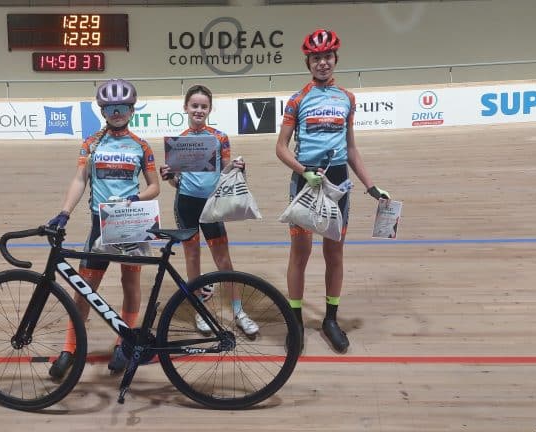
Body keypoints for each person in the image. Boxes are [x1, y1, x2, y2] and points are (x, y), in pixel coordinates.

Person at [274, 29, 390, 354]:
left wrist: (371, 185)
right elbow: (281, 148)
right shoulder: (297, 99)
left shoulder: (347, 99)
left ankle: (330, 320)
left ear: (335, 59)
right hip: (306, 183)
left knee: (334, 254)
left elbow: (351, 149)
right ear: (308, 62)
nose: (322, 62)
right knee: (300, 254)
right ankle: (295, 321)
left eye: (327, 57)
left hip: (338, 183)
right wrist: (303, 171)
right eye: (316, 58)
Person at [46, 78, 160, 378]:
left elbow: (154, 187)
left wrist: (135, 198)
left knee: (130, 285)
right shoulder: (92, 143)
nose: (117, 112)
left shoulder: (141, 146)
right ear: (103, 111)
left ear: (132, 109)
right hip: (100, 225)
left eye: (122, 107)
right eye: (110, 108)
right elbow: (80, 180)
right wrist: (64, 213)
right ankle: (70, 348)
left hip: (129, 224)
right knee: (83, 289)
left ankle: (124, 343)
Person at [159, 84, 259, 337]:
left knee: (223, 261)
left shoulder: (220, 138)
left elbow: (226, 170)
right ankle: (199, 311)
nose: (199, 110)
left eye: (204, 106)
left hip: (212, 206)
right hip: (186, 205)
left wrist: (238, 167)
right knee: (192, 259)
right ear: (186, 108)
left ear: (210, 109)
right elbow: (175, 182)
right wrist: (168, 176)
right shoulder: (178, 142)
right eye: (195, 105)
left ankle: (238, 311)